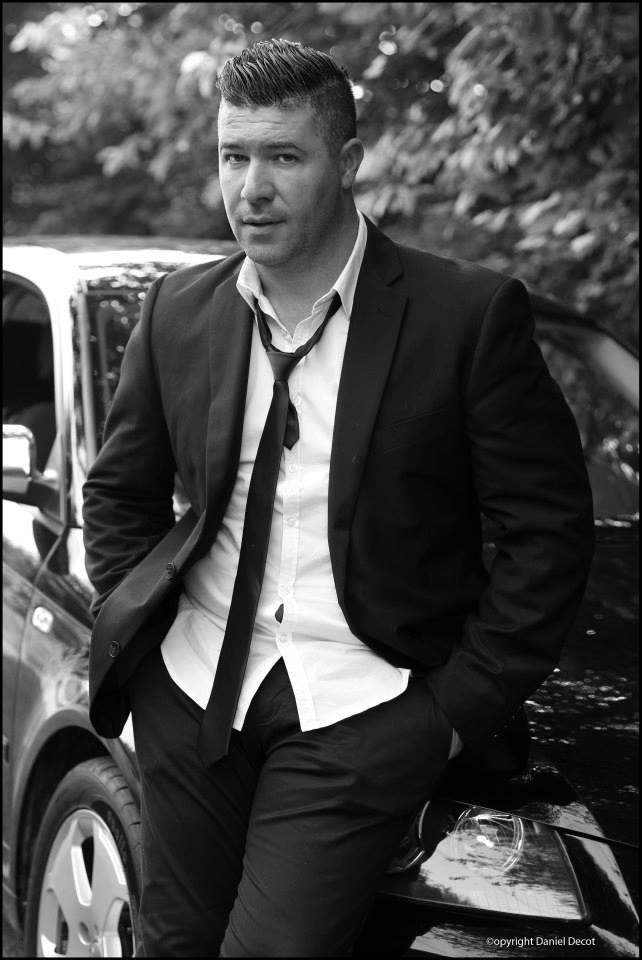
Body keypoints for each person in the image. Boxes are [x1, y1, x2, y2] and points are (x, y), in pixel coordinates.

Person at [82, 38, 594, 958]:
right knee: (172, 945)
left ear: (348, 161)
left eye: (284, 156)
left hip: (364, 706)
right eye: (234, 157)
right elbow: (120, 491)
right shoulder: (178, 311)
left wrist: (448, 716)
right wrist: (150, 659)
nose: (251, 189)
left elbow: (549, 535)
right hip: (192, 691)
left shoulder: (466, 316)